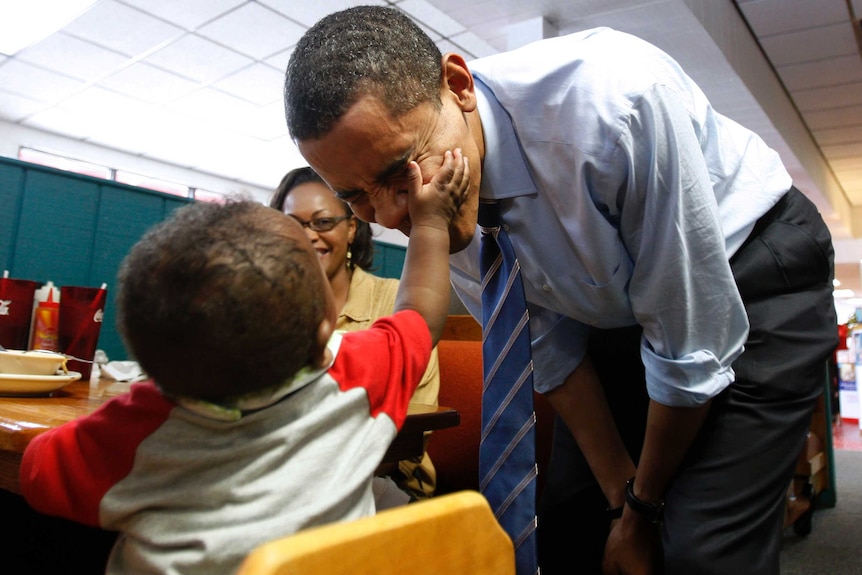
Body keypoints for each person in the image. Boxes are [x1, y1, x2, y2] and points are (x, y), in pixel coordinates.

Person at [283, 6, 838, 575]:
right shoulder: (442, 199)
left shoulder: (613, 103)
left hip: (747, 272)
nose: (397, 213)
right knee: (572, 526)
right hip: (616, 309)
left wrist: (642, 512)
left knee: (701, 549)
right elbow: (551, 353)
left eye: (403, 173)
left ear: (458, 86)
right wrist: (623, 501)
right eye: (356, 196)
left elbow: (689, 346)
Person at [18, 148, 467, 575]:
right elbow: (420, 316)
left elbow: (38, 472)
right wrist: (431, 222)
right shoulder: (353, 373)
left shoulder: (140, 426)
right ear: (323, 331)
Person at [270, 166, 441, 504]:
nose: (307, 237)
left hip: (380, 480)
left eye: (322, 222)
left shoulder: (396, 304)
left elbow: (409, 434)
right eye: (293, 225)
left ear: (351, 228)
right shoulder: (266, 310)